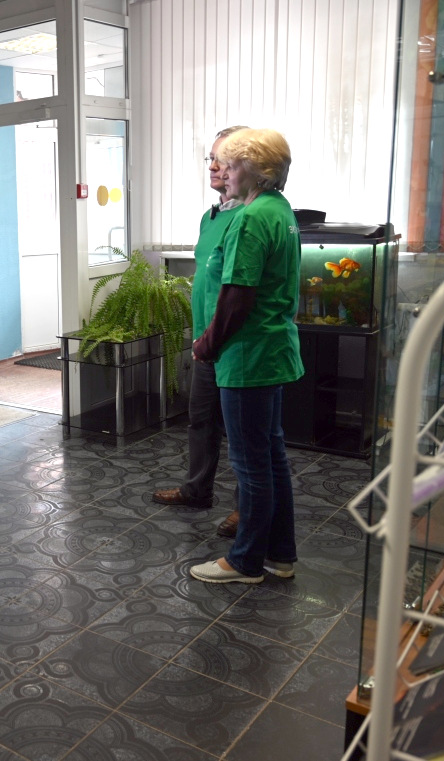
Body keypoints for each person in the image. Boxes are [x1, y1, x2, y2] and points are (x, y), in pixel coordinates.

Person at [188, 128, 303, 584]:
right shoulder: (279, 209)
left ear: (256, 170)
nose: (223, 172)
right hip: (268, 352)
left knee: (252, 465)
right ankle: (280, 554)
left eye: (231, 165)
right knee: (271, 457)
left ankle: (245, 561)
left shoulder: (252, 218)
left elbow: (237, 296)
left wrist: (208, 344)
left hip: (246, 356)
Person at [153, 125, 248, 541]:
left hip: (234, 342)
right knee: (201, 419)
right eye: (211, 158)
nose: (213, 167)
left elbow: (240, 290)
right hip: (206, 340)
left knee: (243, 433)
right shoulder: (210, 217)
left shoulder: (250, 217)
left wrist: (215, 337)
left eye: (222, 160)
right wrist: (202, 338)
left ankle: (247, 508)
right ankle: (197, 490)